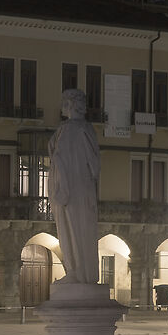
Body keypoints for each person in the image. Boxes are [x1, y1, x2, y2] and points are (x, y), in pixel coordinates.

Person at [49, 87, 101, 290]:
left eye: (64, 102)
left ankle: (76, 272)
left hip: (70, 191)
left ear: (70, 105)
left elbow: (62, 160)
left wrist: (63, 188)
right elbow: (94, 167)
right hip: (79, 190)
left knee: (71, 230)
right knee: (78, 230)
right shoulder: (84, 129)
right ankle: (80, 272)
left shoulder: (72, 129)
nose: (62, 106)